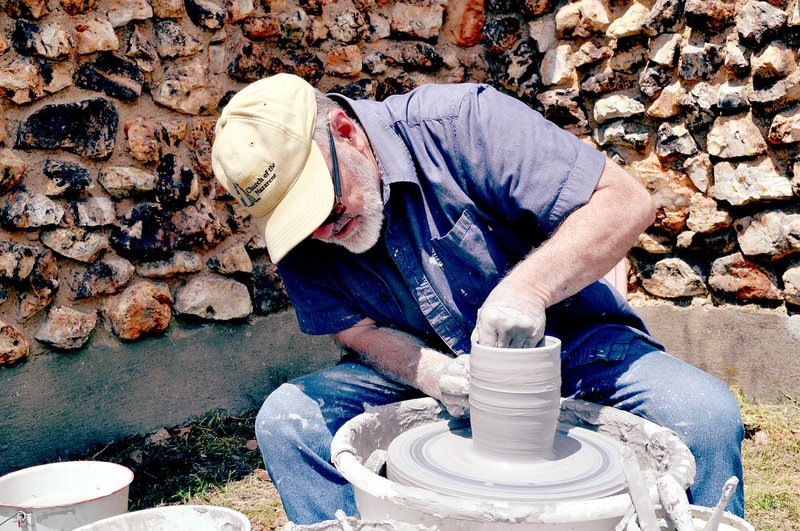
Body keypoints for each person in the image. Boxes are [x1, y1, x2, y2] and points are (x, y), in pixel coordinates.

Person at [211, 73, 744, 525]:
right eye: (303, 222)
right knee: (288, 422)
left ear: (346, 133)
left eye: (324, 205)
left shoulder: (463, 124)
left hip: (572, 346)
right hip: (424, 362)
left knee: (704, 414)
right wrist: (431, 375)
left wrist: (528, 289)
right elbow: (356, 332)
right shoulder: (301, 234)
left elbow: (626, 202)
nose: (324, 232)